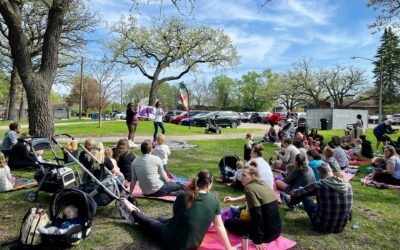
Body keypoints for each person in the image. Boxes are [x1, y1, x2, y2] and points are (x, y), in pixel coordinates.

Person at [119, 170, 234, 250]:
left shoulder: (182, 195)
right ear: (209, 184)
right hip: (192, 245)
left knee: (150, 223)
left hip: (173, 242)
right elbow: (219, 226)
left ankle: (131, 210)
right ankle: (143, 215)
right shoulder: (214, 199)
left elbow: (176, 217)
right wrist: (229, 247)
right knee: (160, 219)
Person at [283, 163, 353, 233]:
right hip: (341, 226)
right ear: (331, 170)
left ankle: (290, 203)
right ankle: (292, 203)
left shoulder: (320, 185)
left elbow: (298, 193)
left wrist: (292, 189)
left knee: (304, 195)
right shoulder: (348, 185)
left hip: (321, 225)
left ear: (319, 174)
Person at [223, 164, 282, 247]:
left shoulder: (249, 188)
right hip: (277, 231)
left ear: (253, 175)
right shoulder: (262, 183)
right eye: (241, 175)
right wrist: (233, 199)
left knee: (228, 223)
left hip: (266, 234)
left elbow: (256, 215)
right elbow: (252, 198)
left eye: (244, 175)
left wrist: (258, 240)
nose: (240, 178)